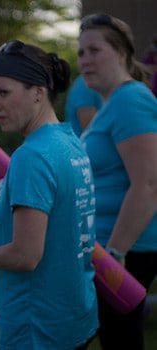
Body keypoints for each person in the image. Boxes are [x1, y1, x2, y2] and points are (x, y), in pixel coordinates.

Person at [0, 40, 99, 349]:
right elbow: (59, 225)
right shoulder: (70, 141)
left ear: (38, 92)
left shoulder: (31, 156)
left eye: (3, 93)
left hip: (38, 330)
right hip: (76, 317)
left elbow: (26, 256)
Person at [77, 13, 157, 350]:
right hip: (110, 248)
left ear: (122, 54)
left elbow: (149, 182)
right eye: (80, 53)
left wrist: (116, 251)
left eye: (94, 50)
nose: (85, 60)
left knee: (122, 340)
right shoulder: (111, 103)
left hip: (129, 249)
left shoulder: (130, 100)